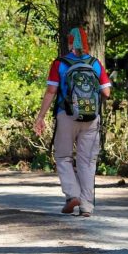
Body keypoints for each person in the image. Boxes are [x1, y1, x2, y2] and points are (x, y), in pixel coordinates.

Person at [33, 27, 111, 217]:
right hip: (91, 118)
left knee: (63, 157)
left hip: (66, 114)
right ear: (86, 44)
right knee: (87, 161)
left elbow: (51, 91)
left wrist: (41, 117)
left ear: (69, 43)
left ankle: (72, 195)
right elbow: (107, 92)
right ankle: (86, 206)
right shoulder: (95, 64)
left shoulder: (59, 63)